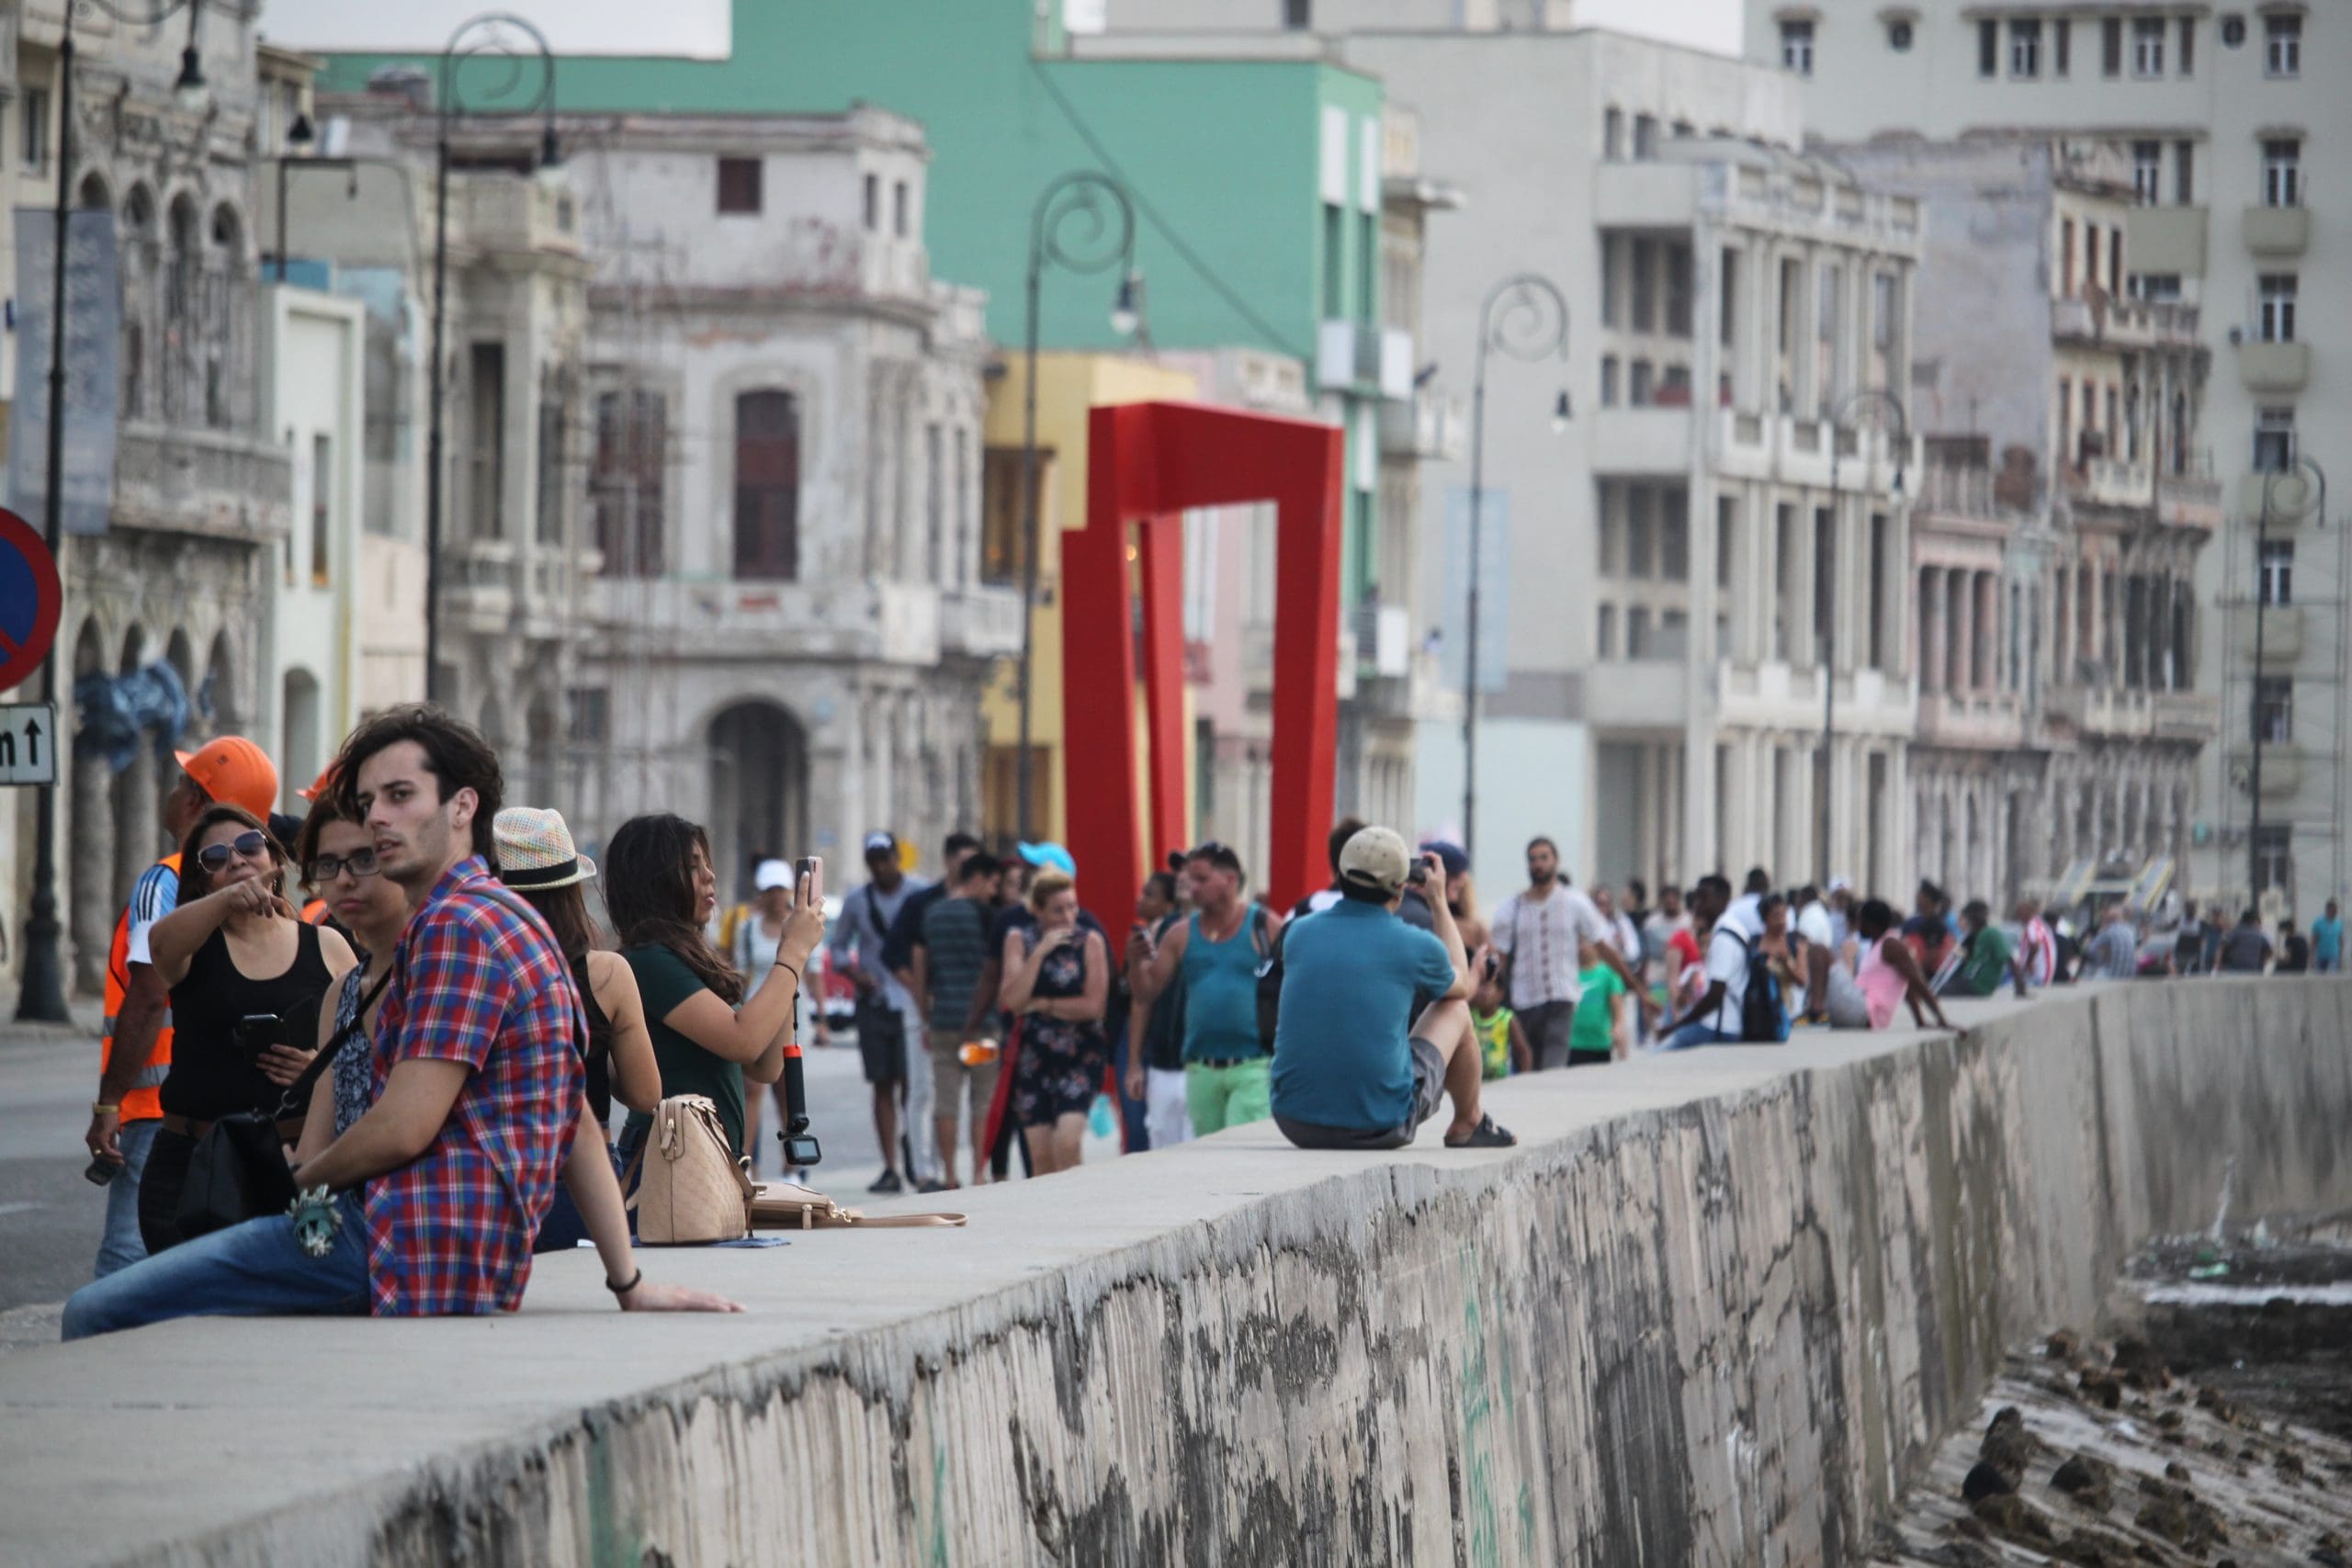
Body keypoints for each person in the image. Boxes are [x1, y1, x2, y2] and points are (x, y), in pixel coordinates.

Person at [62, 705, 737, 1337]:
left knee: (95, 1311)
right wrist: (628, 1282)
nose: (378, 818)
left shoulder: (455, 926)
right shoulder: (504, 916)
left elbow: (405, 1125)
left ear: (462, 806)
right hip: (442, 1253)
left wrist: (289, 1189)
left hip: (399, 1244)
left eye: (401, 795)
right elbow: (577, 1119)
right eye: (368, 803)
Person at [85, 735, 280, 1279]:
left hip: (163, 1105)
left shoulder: (167, 879)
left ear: (195, 800)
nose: (171, 795)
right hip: (243, 1106)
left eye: (180, 784)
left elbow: (148, 996)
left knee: (128, 1254)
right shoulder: (274, 894)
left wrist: (108, 1103)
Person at [136, 805, 358, 1255]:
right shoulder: (192, 947)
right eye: (216, 858)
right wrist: (228, 899)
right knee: (189, 1296)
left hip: (297, 1160)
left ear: (274, 857)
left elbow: (366, 1046)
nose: (236, 861)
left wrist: (319, 1070)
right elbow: (159, 943)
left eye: (249, 847)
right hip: (195, 1159)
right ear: (201, 881)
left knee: (291, 1293)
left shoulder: (327, 944)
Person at [1269, 831, 1515, 1151]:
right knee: (1455, 1007)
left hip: (1294, 1121)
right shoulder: (1415, 944)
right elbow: (1463, 986)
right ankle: (1468, 1122)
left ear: (1340, 876)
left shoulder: (1298, 932)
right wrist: (1438, 901)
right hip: (1380, 1123)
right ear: (1401, 888)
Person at [608, 814, 823, 1174]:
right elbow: (743, 1041)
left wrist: (791, 956)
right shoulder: (648, 960)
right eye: (693, 866)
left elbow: (765, 1064)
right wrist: (793, 954)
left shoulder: (687, 956)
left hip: (704, 1163)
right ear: (655, 882)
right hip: (671, 1168)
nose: (710, 875)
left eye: (707, 863)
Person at [496, 807, 666, 1252]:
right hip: (583, 1178)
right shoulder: (605, 974)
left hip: (494, 1171)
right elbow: (645, 1094)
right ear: (572, 891)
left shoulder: (476, 969)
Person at [1129, 841, 1279, 1136]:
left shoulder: (1265, 927)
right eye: (1190, 879)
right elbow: (1147, 992)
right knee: (1208, 1153)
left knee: (1242, 1148)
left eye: (1202, 879)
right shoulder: (1180, 934)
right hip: (1200, 1068)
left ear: (1230, 880)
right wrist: (1136, 963)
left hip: (1253, 1066)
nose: (1192, 887)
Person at [827, 831, 933, 1193]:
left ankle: (915, 1152)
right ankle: (890, 1165)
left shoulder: (919, 893)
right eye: (874, 860)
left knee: (912, 1084)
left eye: (885, 858)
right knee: (882, 1082)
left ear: (897, 857)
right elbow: (838, 948)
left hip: (910, 999)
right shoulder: (857, 900)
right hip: (874, 1000)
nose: (881, 866)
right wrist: (857, 975)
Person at [1489, 838, 1645, 1071]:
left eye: (1544, 858)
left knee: (1553, 1067)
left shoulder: (1575, 903)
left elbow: (1603, 947)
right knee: (1527, 1068)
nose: (1538, 864)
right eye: (1533, 859)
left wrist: (1636, 987)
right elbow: (1499, 957)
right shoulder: (1512, 907)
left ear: (1556, 861)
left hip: (1561, 998)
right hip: (1524, 1001)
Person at [998, 870, 1111, 1175]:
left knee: (1068, 1144)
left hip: (1080, 1054)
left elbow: (1094, 1006)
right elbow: (1014, 1001)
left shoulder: (1089, 941)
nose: (1068, 917)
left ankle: (1077, 1203)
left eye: (1072, 907)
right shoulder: (1019, 939)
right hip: (1033, 1058)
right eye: (1058, 910)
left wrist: (1043, 1004)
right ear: (1037, 910)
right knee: (1041, 1157)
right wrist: (1040, 953)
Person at [914, 851, 1003, 1185]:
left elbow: (922, 969)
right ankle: (979, 1172)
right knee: (981, 1098)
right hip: (981, 1028)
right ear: (976, 879)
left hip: (943, 1025)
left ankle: (950, 1174)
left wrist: (925, 1015)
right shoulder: (986, 915)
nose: (994, 892)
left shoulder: (933, 914)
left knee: (947, 1100)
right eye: (992, 884)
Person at [1122, 870, 1194, 1148]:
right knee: (1160, 1148)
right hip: (1162, 1064)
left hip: (1202, 1067)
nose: (1185, 876)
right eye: (1186, 871)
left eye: (1196, 872)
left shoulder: (1227, 930)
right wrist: (1134, 1063)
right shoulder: (1162, 929)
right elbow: (1142, 1000)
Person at [1825, 898, 1952, 1031]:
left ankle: (1815, 1012)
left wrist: (1941, 1020)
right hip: (1859, 1010)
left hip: (1865, 1011)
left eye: (1860, 921)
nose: (1858, 926)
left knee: (1821, 952)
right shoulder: (1876, 946)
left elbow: (1918, 983)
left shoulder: (1891, 945)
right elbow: (1907, 985)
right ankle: (1819, 1012)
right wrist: (1919, 1020)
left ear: (1871, 924)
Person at [1661, 875, 1751, 1050]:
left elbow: (1715, 994)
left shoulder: (1724, 937)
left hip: (1718, 1026)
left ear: (1722, 900)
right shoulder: (1733, 927)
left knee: (1660, 1053)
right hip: (1727, 1022)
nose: (1698, 905)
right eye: (1697, 898)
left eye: (1704, 899)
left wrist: (1678, 1025)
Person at [1945, 899, 2030, 998]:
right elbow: (1965, 957)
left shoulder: (1991, 933)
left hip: (1978, 984)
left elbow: (2008, 958)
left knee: (1944, 990)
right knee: (1946, 986)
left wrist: (2019, 985)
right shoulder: (1977, 935)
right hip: (1970, 981)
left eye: (1981, 913)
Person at [1566, 940, 1625, 1066]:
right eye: (1579, 943)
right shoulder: (1568, 974)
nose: (1582, 948)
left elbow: (1617, 1007)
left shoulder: (1608, 974)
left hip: (1601, 1042)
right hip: (1574, 1042)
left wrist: (1618, 1028)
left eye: (1586, 943)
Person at [1468, 962, 1529, 1079]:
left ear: (1500, 994)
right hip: (1475, 1080)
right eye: (1479, 986)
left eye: (1487, 987)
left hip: (1501, 1081)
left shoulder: (1506, 1019)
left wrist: (1524, 1078)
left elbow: (1522, 1051)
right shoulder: (1470, 1016)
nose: (1482, 992)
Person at [2079, 905, 2141, 980]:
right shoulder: (2131, 930)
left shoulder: (2109, 931)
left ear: (2109, 918)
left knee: (2088, 972)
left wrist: (2088, 943)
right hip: (2128, 976)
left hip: (2111, 976)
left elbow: (2091, 950)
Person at [2015, 898, 2059, 987]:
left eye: (2019, 912)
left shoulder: (2033, 925)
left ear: (2027, 912)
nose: (2018, 916)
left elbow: (2035, 944)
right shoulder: (2037, 924)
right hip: (2038, 975)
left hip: (2037, 975)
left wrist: (2028, 964)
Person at [2218, 908, 2273, 974]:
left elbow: (2223, 947)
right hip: (2253, 969)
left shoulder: (2236, 932)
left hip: (2234, 968)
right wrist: (2262, 962)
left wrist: (2220, 964)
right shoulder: (2260, 934)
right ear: (2254, 921)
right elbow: (2270, 951)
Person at [2311, 900, 2342, 975]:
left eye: (2335, 911)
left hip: (2334, 956)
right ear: (2327, 910)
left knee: (2331, 975)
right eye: (2332, 910)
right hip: (2321, 956)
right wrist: (2312, 957)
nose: (2334, 912)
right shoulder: (2318, 923)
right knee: (2320, 977)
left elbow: (2340, 940)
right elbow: (2314, 940)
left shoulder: (2339, 923)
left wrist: (2340, 957)